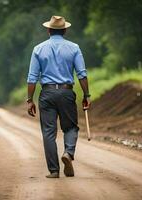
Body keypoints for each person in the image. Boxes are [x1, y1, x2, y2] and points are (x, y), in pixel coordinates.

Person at [26, 16, 91, 178]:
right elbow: (82, 74)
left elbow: (32, 78)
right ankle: (68, 153)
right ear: (65, 30)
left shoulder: (38, 49)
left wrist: (29, 100)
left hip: (46, 94)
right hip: (66, 92)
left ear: (48, 30)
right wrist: (86, 95)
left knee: (48, 132)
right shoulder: (74, 48)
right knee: (70, 127)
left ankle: (54, 171)